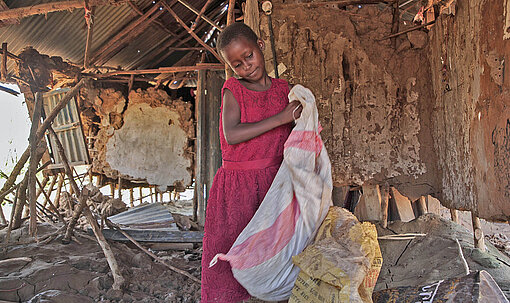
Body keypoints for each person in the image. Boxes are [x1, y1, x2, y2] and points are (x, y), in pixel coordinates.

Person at [201, 22, 302, 302]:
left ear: (259, 45)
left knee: (272, 251)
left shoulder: (286, 91)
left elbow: (297, 137)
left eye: (249, 55)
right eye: (237, 64)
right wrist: (281, 118)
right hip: (238, 188)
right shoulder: (233, 89)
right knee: (233, 253)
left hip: (275, 185)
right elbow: (231, 134)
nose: (246, 66)